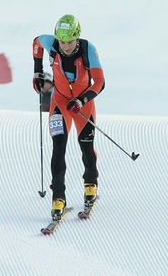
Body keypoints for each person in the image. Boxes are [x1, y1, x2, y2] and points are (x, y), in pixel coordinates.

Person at [32, 14, 105, 220]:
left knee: (86, 146)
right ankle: (58, 197)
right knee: (58, 147)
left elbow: (99, 82)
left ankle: (90, 183)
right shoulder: (51, 43)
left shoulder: (87, 49)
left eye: (70, 42)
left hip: (83, 104)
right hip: (60, 102)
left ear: (77, 37)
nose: (65, 46)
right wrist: (38, 72)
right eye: (62, 42)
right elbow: (36, 43)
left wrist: (82, 100)